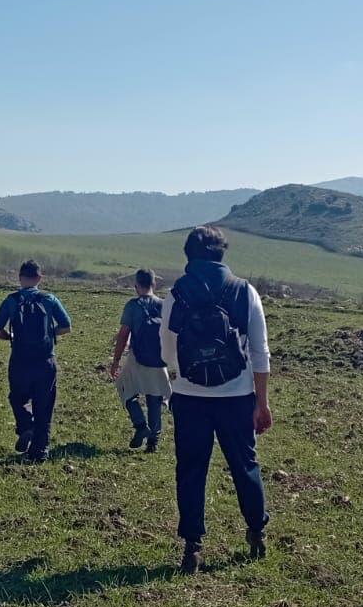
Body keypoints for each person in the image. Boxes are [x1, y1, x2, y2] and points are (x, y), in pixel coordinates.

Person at [161, 226, 272, 573]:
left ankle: (193, 546)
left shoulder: (176, 294)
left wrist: (188, 374)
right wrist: (262, 401)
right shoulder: (245, 291)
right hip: (237, 396)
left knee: (191, 470)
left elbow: (167, 350)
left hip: (189, 398)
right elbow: (260, 352)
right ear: (222, 254)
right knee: (245, 466)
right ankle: (256, 531)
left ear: (188, 256)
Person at [0, 260, 72, 463]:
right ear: (39, 278)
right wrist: (50, 334)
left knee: (17, 398)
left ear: (20, 278)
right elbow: (66, 326)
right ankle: (40, 451)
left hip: (19, 359)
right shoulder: (49, 299)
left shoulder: (12, 300)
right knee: (44, 405)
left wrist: (11, 337)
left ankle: (26, 425)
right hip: (45, 360)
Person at [109, 268, 172, 453]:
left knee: (125, 389)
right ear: (154, 284)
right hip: (160, 360)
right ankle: (153, 441)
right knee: (155, 398)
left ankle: (140, 425)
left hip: (138, 357)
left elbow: (123, 335)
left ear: (136, 285)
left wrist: (116, 361)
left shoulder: (132, 306)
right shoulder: (164, 305)